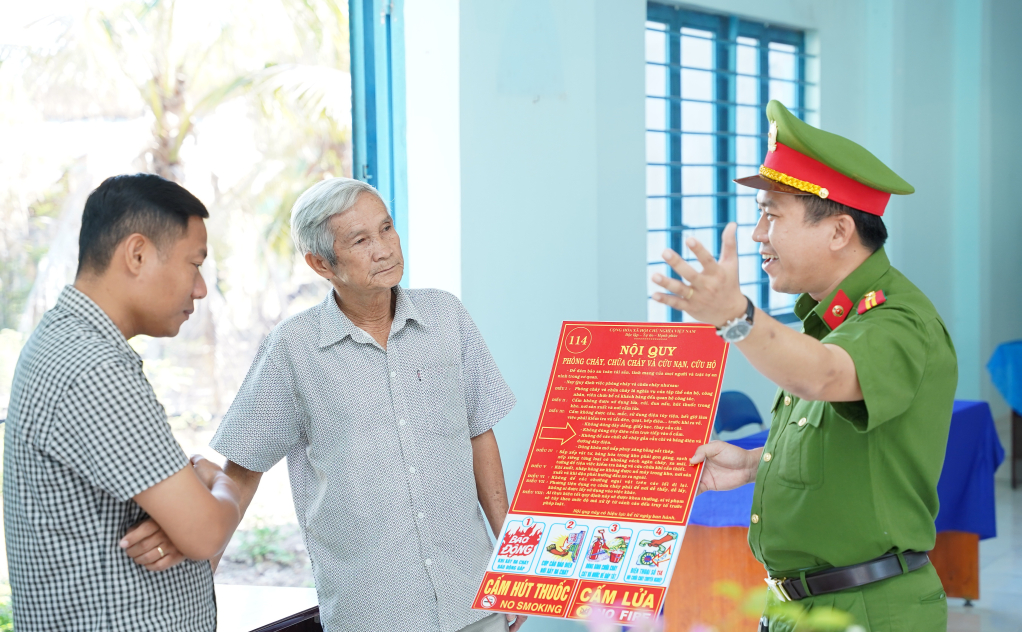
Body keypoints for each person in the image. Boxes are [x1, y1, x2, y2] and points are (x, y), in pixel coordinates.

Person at [651, 101, 956, 631]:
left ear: (838, 232)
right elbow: (840, 443)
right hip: (799, 607)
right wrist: (754, 463)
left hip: (868, 609)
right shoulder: (829, 322)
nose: (757, 236)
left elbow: (825, 377)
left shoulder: (899, 322)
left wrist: (736, 317)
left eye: (772, 215)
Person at [209, 177, 523, 632]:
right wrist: (195, 587)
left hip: (474, 600)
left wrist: (517, 563)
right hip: (373, 614)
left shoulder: (446, 317)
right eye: (360, 240)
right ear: (321, 263)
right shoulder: (293, 349)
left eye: (387, 228)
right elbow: (241, 471)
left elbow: (480, 435)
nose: (384, 249)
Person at [3, 174, 243, 631]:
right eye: (195, 264)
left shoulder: (64, 341)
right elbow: (206, 531)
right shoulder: (93, 367)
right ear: (137, 254)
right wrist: (220, 485)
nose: (200, 289)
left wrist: (191, 517)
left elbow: (189, 529)